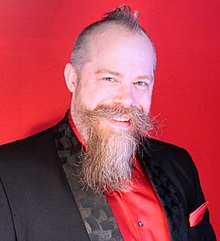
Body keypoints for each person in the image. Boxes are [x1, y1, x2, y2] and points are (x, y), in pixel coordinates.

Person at [0, 5, 216, 241]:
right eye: (110, 79)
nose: (127, 100)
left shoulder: (179, 164)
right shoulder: (8, 173)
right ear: (73, 79)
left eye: (140, 83)